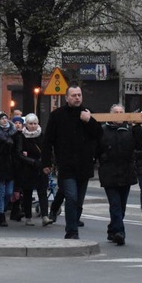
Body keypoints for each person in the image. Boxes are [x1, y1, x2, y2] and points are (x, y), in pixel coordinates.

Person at [41, 85, 103, 239]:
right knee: (71, 197)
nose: (77, 98)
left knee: (79, 201)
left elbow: (100, 135)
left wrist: (89, 121)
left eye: (79, 95)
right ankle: (71, 231)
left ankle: (74, 222)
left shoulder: (88, 114)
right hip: (66, 165)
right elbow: (48, 141)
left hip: (85, 165)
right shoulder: (57, 115)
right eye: (74, 95)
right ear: (67, 97)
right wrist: (46, 163)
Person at [98, 104, 142, 245]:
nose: (119, 114)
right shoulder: (103, 131)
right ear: (110, 115)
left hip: (126, 173)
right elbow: (96, 149)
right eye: (116, 112)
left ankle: (112, 229)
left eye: (121, 112)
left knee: (122, 206)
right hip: (109, 173)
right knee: (115, 204)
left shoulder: (130, 130)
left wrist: (138, 127)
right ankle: (120, 232)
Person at [17, 113, 51, 226]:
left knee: (43, 192)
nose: (33, 126)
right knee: (27, 192)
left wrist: (48, 163)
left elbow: (47, 150)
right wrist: (31, 161)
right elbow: (20, 154)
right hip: (28, 168)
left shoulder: (42, 135)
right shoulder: (22, 136)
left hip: (41, 167)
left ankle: (45, 216)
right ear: (26, 124)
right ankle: (28, 216)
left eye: (35, 123)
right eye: (30, 124)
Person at [0, 111, 19, 227]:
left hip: (10, 164)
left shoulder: (13, 132)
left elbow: (16, 148)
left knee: (9, 192)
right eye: (2, 119)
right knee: (1, 191)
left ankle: (4, 208)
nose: (5, 120)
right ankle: (1, 215)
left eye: (6, 118)